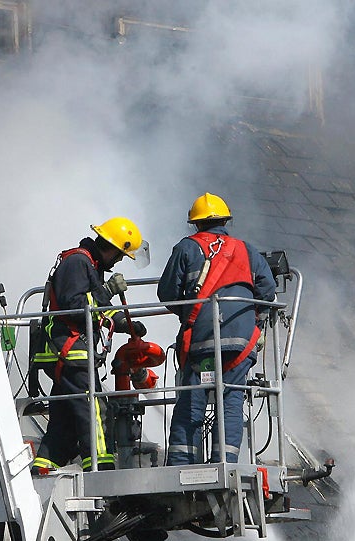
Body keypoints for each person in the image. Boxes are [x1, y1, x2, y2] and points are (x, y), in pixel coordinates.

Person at [157, 193, 276, 464]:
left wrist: (190, 314)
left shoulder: (186, 248)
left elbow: (167, 293)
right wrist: (255, 322)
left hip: (202, 341)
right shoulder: (247, 250)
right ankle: (226, 462)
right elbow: (267, 291)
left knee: (192, 400)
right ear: (225, 221)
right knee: (232, 399)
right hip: (240, 345)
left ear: (196, 224)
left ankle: (182, 465)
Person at [31, 217, 148, 474]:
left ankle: (44, 464)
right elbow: (74, 305)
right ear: (111, 247)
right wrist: (108, 289)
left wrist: (124, 323)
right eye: (120, 255)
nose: (119, 261)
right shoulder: (78, 262)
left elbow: (98, 307)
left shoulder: (91, 265)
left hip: (68, 350)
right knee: (93, 407)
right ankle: (100, 464)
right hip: (69, 349)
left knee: (65, 414)